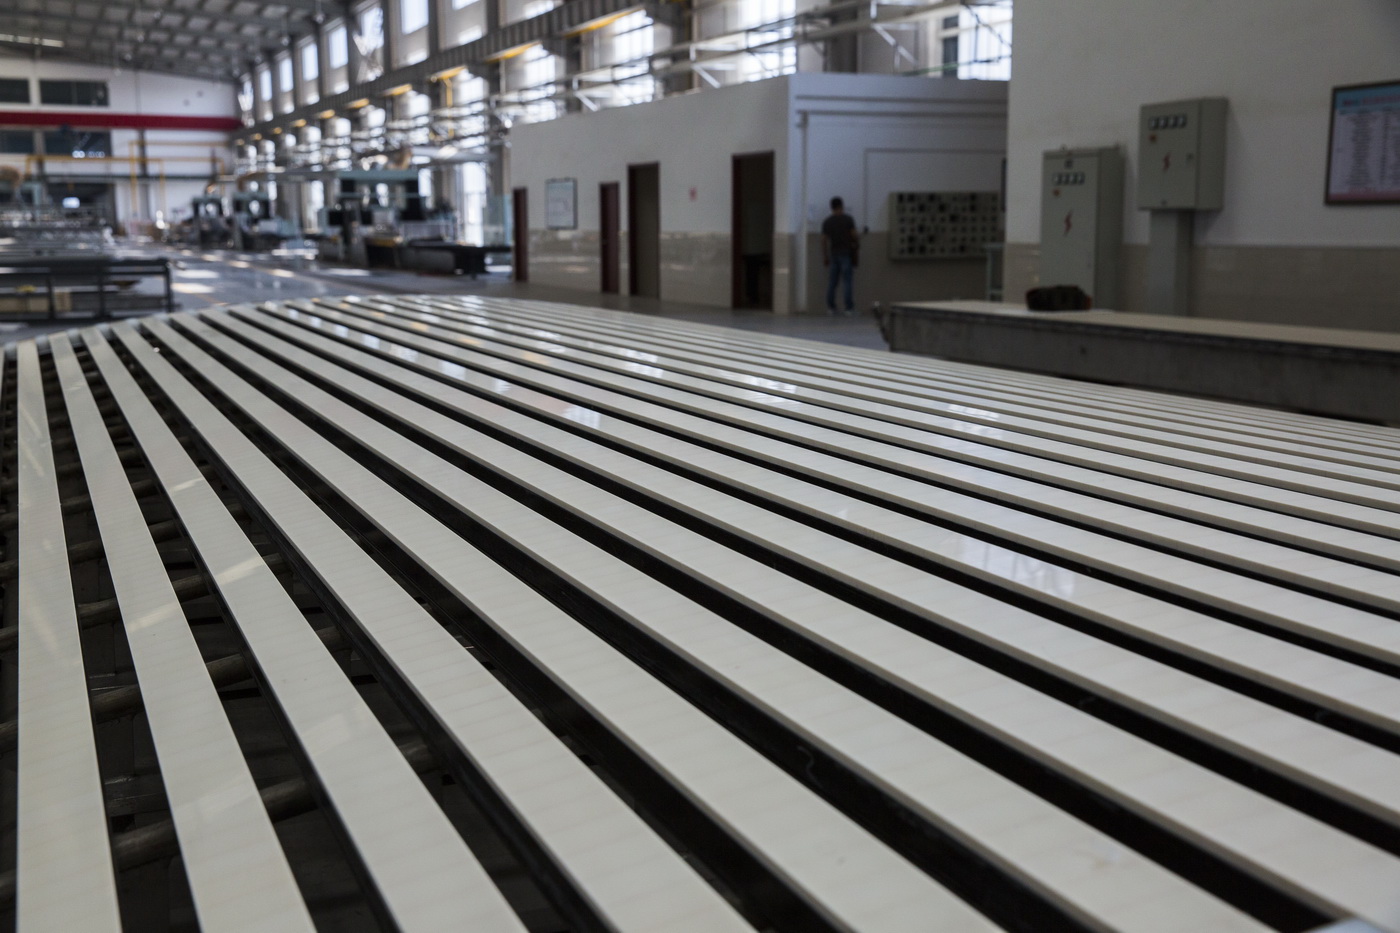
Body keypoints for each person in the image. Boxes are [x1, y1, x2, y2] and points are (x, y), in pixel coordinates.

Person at [821, 196, 859, 314]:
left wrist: (825, 256)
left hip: (834, 254)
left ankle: (831, 307)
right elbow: (854, 235)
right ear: (842, 206)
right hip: (846, 254)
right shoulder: (848, 220)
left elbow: (823, 240)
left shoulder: (827, 222)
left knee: (832, 282)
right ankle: (849, 308)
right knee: (847, 281)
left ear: (831, 207)